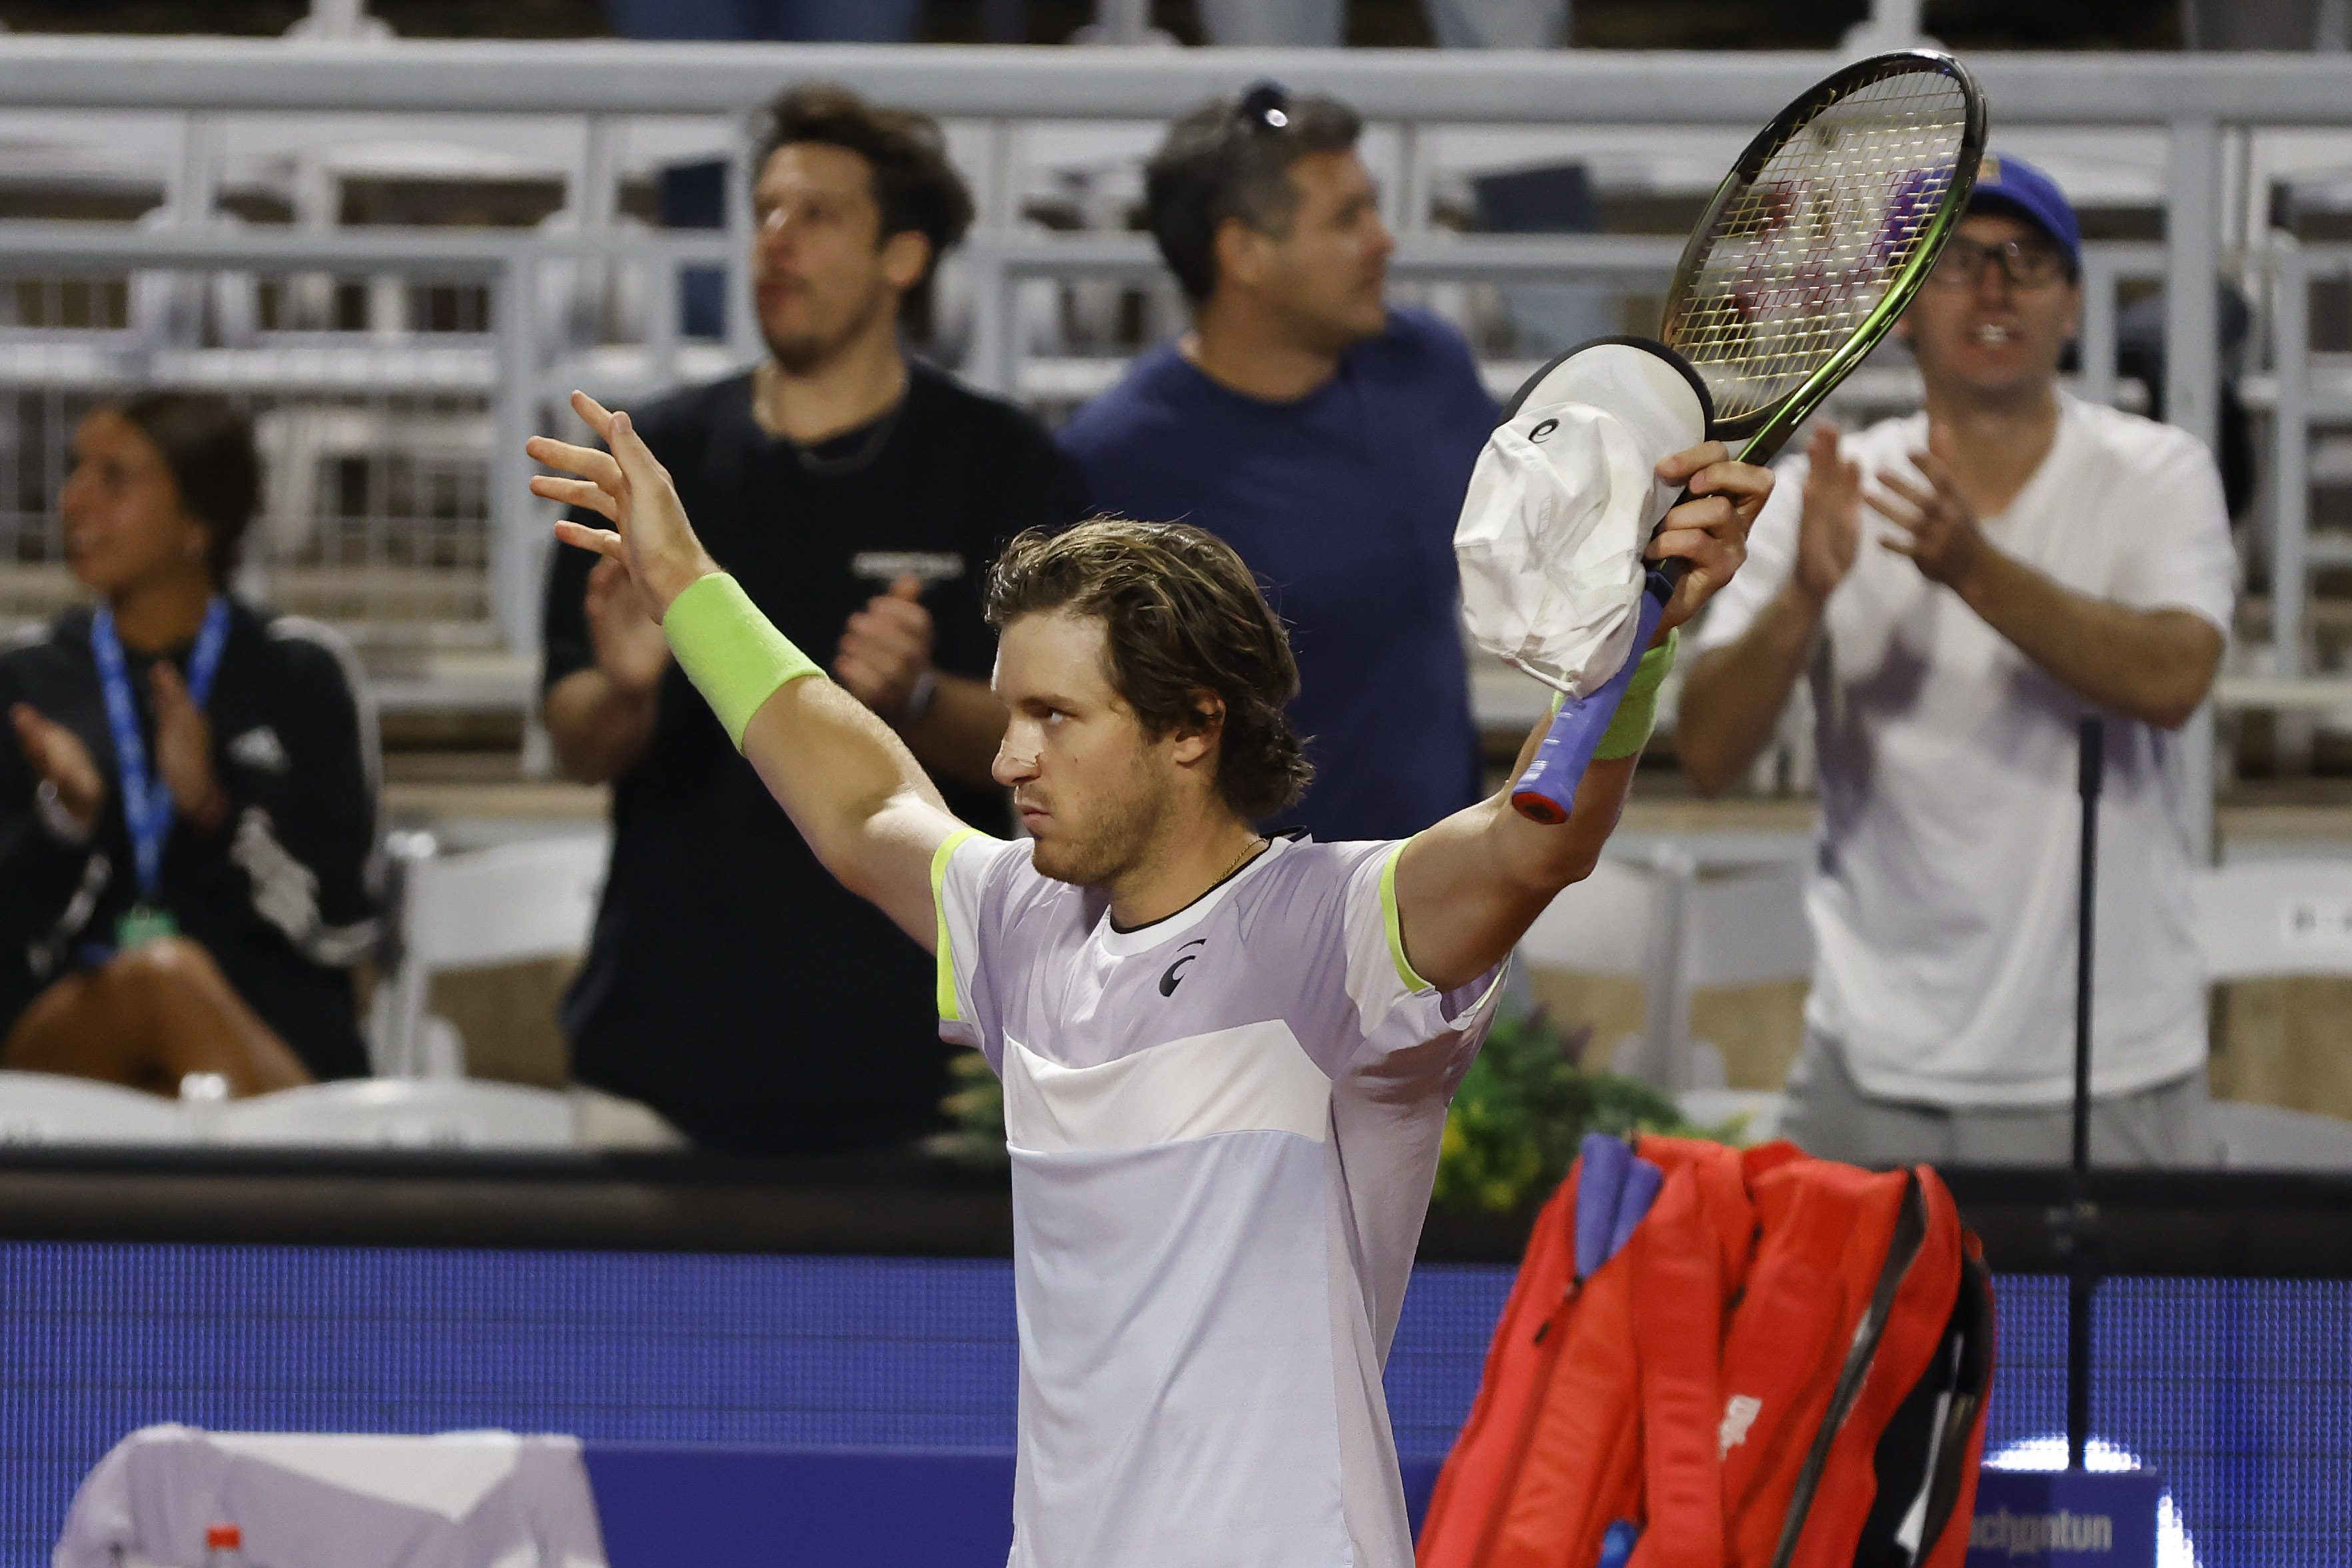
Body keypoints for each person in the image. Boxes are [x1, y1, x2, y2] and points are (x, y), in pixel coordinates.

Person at [530, 384, 1767, 1567]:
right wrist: (686, 580)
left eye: (1057, 716)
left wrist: (1636, 642)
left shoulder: (1335, 932)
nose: (1009, 755)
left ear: (1191, 725)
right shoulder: (1020, 923)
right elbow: (863, 808)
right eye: (1011, 712)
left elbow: (1536, 834)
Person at [540, 83, 1088, 1154]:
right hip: (663, 1068)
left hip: (924, 1071)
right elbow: (572, 740)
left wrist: (923, 701)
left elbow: (1070, 742)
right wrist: (624, 688)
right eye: (765, 213)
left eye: (818, 215)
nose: (775, 244)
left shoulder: (1004, 469)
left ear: (903, 257)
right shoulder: (653, 465)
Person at [1676, 153, 2235, 1168]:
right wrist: (1802, 596)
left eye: (2024, 261)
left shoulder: (2156, 472)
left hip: (2106, 1062)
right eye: (1954, 260)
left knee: (2130, 1335)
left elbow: (2173, 678)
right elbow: (1709, 755)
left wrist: (1974, 569)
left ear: (2069, 305)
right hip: (1868, 1058)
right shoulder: (1820, 494)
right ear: (1896, 306)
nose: (1990, 286)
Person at [1058, 83, 1496, 844]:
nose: (1383, 241)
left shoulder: (1427, 366)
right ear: (1243, 253)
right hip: (1243, 928)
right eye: (1347, 219)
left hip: (1456, 892)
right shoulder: (1116, 463)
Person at [1, 392, 380, 1094]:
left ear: (197, 520)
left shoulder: (299, 673)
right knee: (158, 979)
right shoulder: (28, 679)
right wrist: (66, 823)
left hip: (268, 1023)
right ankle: (314, 1204)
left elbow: (346, 924)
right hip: (71, 1038)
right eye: (75, 471)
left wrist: (212, 809)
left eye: (114, 478)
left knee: (173, 982)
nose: (73, 501)